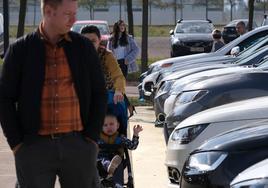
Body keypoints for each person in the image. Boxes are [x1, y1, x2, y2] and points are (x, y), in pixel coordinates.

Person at [0, 0, 107, 188]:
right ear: (49, 11)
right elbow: (4, 98)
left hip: (79, 145)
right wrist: (17, 144)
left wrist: (91, 138)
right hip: (33, 148)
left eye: (75, 13)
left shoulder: (83, 48)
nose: (74, 19)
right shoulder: (20, 50)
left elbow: (99, 92)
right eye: (68, 14)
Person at [80, 25, 125, 104]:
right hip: (81, 96)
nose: (89, 44)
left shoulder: (107, 55)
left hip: (105, 95)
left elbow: (118, 76)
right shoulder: (74, 56)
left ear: (99, 40)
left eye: (93, 41)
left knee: (119, 106)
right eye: (85, 41)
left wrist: (118, 91)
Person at [97, 113, 143, 186]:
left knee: (118, 164)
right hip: (101, 164)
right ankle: (108, 168)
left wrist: (135, 134)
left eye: (111, 124)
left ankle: (117, 184)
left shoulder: (121, 138)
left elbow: (132, 146)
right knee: (100, 161)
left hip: (116, 161)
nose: (108, 127)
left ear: (117, 125)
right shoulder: (98, 138)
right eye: (105, 125)